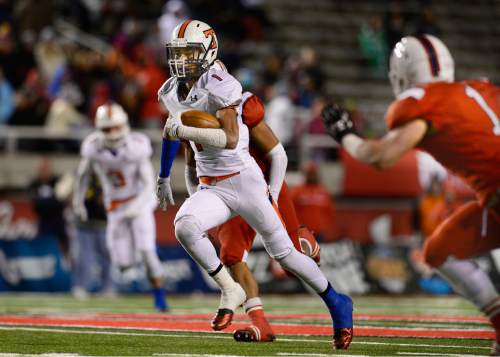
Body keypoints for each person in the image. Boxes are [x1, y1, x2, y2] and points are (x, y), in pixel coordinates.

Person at [156, 20, 353, 350]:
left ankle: (337, 302)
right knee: (186, 227)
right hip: (212, 186)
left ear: (208, 51)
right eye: (178, 53)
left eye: (189, 53)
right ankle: (229, 290)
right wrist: (165, 177)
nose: (182, 61)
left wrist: (186, 132)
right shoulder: (170, 92)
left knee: (286, 255)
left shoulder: (222, 84)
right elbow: (179, 143)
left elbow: (231, 140)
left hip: (244, 180)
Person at [321, 34, 500, 355]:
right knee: (440, 250)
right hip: (494, 198)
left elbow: (383, 157)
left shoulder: (425, 101)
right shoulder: (482, 89)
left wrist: (345, 135)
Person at [183, 91, 321, 342]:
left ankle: (304, 240)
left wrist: (274, 197)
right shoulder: (191, 116)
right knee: (231, 256)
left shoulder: (243, 107)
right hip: (223, 191)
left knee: (291, 261)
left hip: (260, 185)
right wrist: (199, 203)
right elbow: (192, 167)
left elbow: (278, 154)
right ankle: (260, 325)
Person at [73, 102, 169, 312]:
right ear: (100, 129)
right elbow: (82, 176)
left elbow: (148, 185)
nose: (113, 133)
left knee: (146, 251)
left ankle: (160, 298)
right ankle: (138, 251)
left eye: (116, 127)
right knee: (122, 263)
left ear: (124, 124)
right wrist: (78, 202)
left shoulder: (136, 146)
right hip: (115, 207)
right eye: (108, 129)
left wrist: (137, 206)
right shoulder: (93, 148)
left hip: (139, 200)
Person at [290, 162, 336, 242]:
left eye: (313, 174)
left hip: (320, 233)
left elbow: (329, 212)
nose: (311, 176)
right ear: (305, 175)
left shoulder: (323, 192)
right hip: (302, 233)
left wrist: (326, 227)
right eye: (309, 174)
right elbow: (290, 210)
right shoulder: (297, 191)